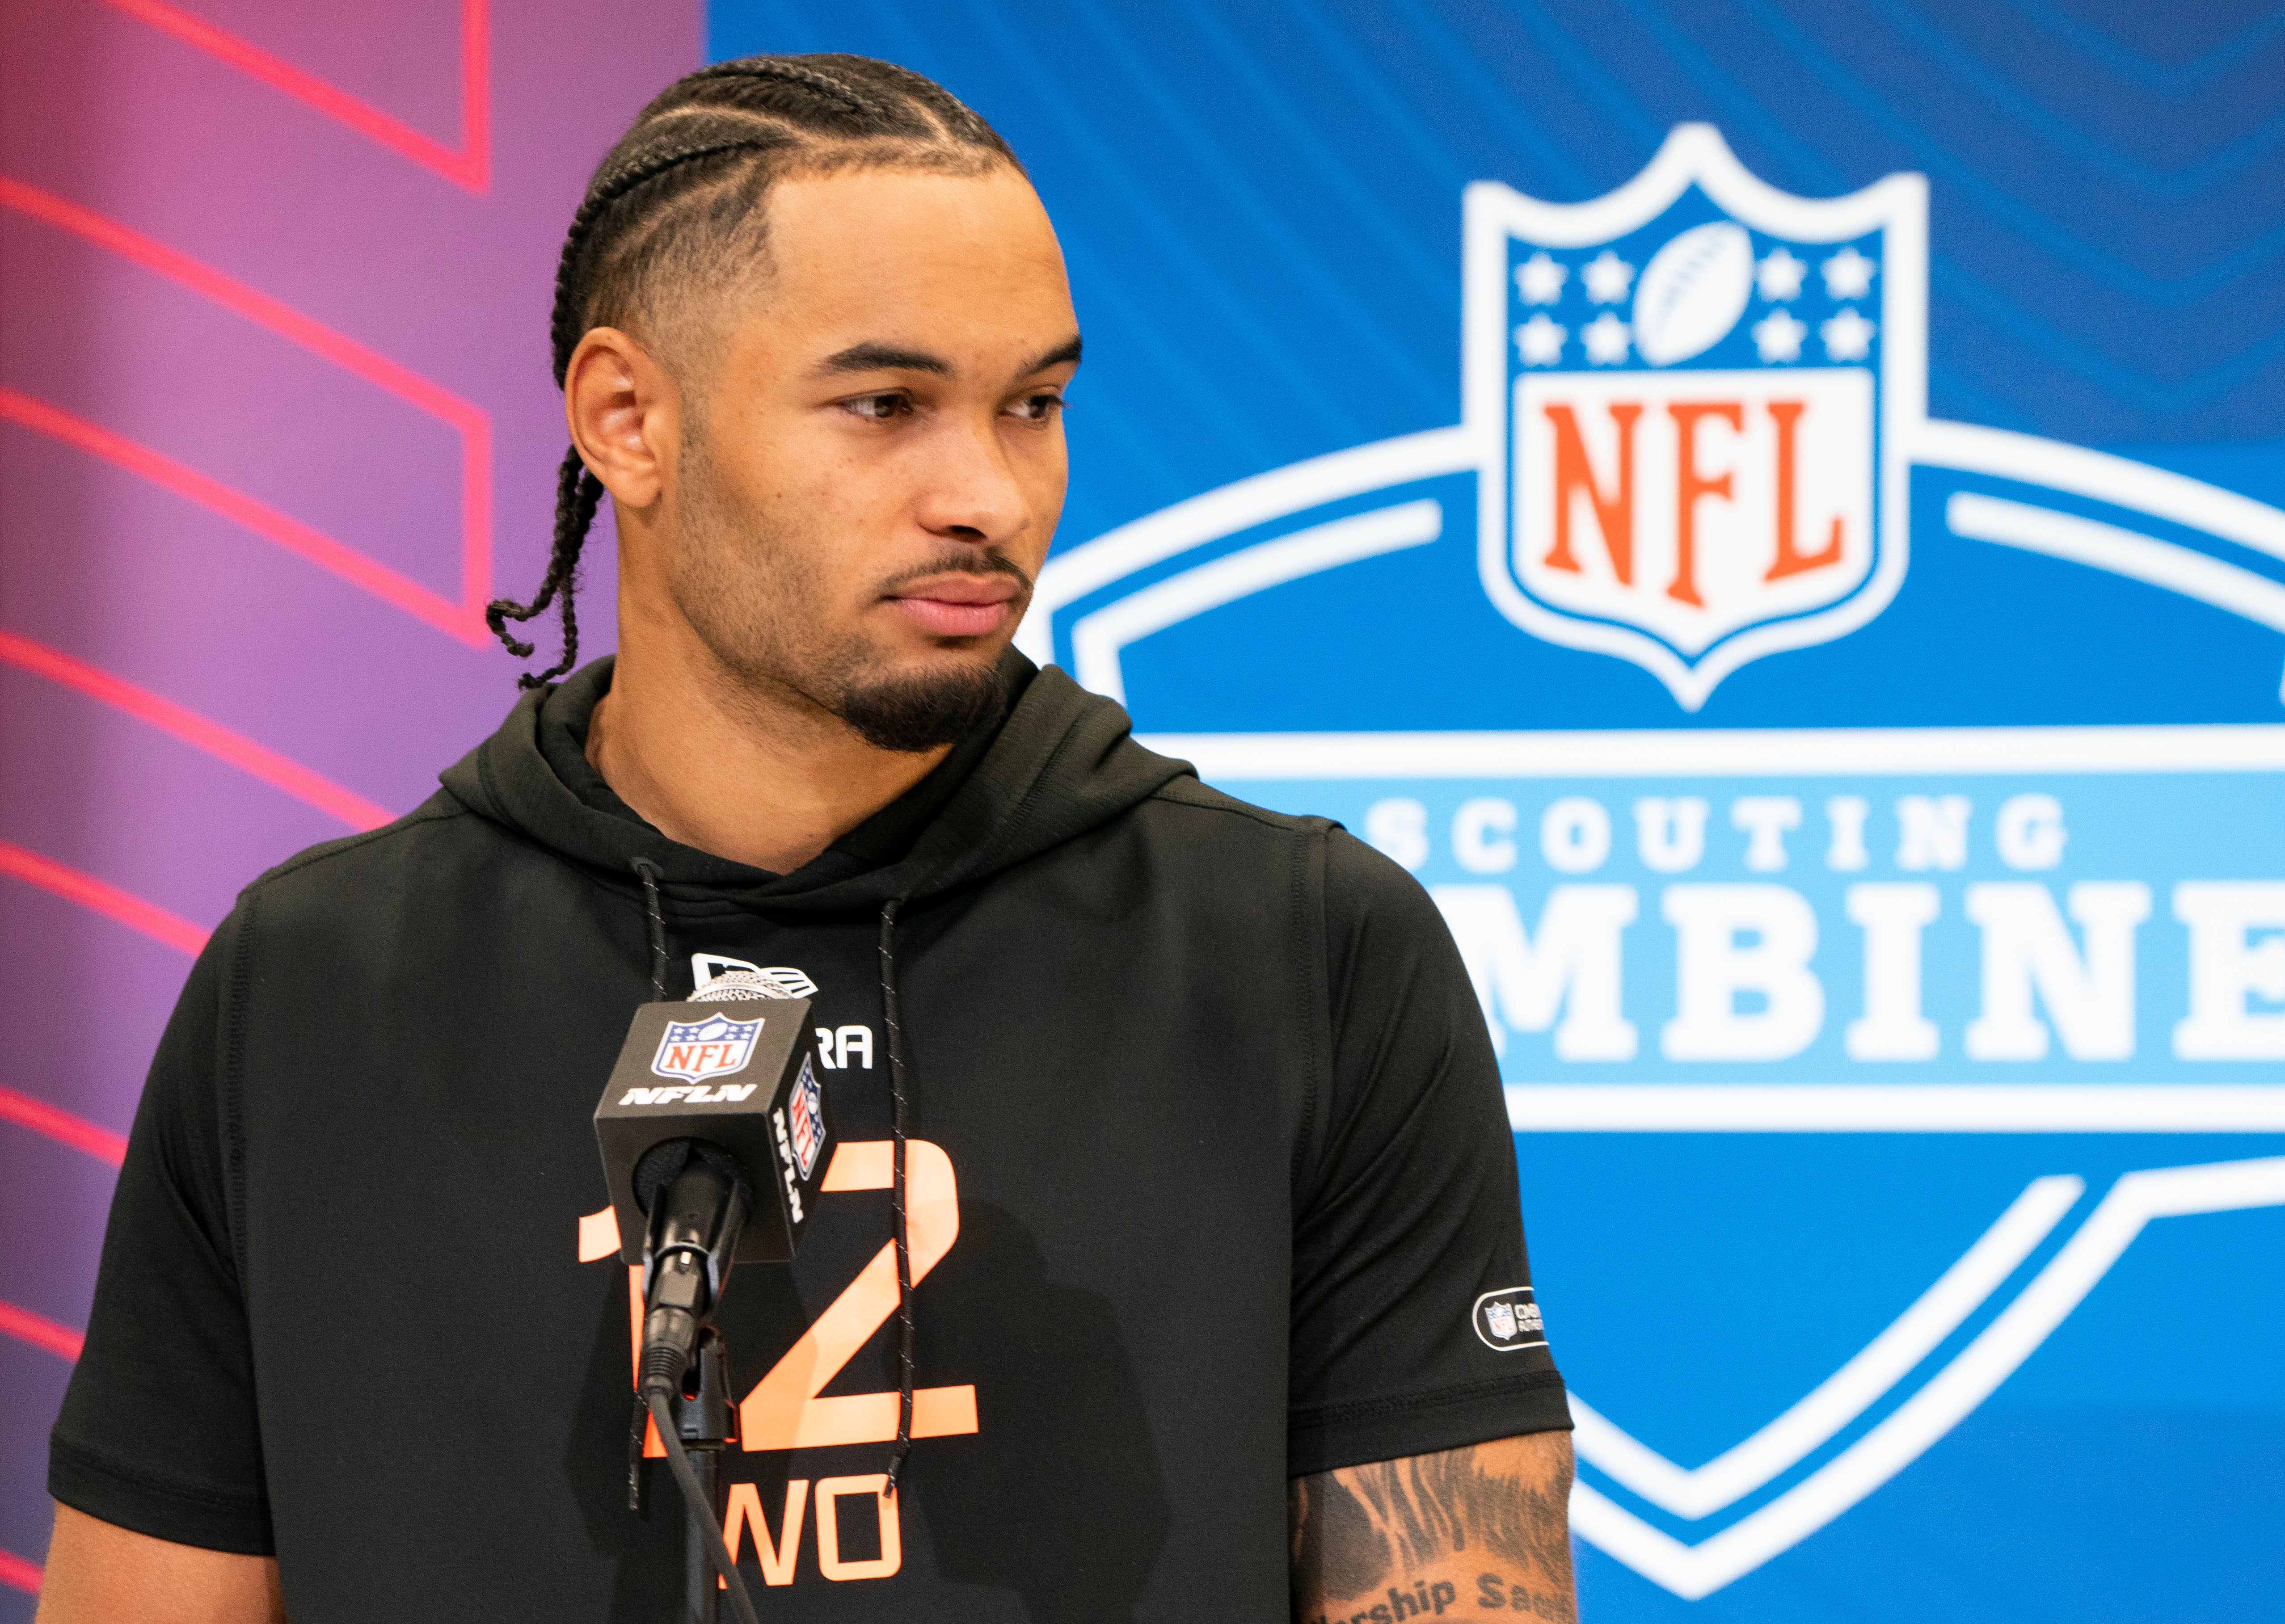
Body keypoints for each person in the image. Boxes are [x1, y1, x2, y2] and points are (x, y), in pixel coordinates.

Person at [36, 54, 1577, 1624]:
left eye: (1032, 405)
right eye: (885, 405)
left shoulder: (1302, 950)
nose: (989, 492)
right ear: (627, 419)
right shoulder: (307, 991)